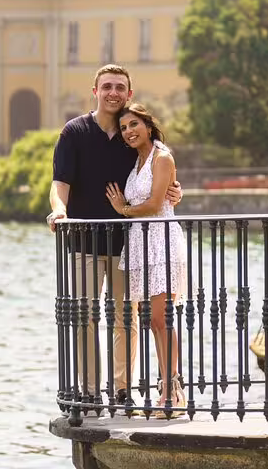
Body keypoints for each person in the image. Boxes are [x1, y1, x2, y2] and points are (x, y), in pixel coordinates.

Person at [47, 64, 182, 405]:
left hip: (129, 244)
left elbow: (157, 175)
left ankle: (122, 390)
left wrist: (175, 192)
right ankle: (91, 391)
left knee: (126, 319)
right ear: (95, 91)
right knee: (86, 316)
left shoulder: (131, 134)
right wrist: (59, 210)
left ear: (129, 94)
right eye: (106, 86)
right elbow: (60, 183)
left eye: (120, 87)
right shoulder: (73, 132)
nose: (113, 92)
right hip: (84, 241)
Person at [105, 103, 186, 417]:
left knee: (162, 319)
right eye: (124, 127)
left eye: (134, 124)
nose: (129, 131)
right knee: (152, 321)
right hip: (139, 244)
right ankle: (167, 387)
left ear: (148, 126)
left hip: (160, 242)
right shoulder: (137, 161)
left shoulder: (162, 157)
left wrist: (122, 209)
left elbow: (154, 204)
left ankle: (172, 390)